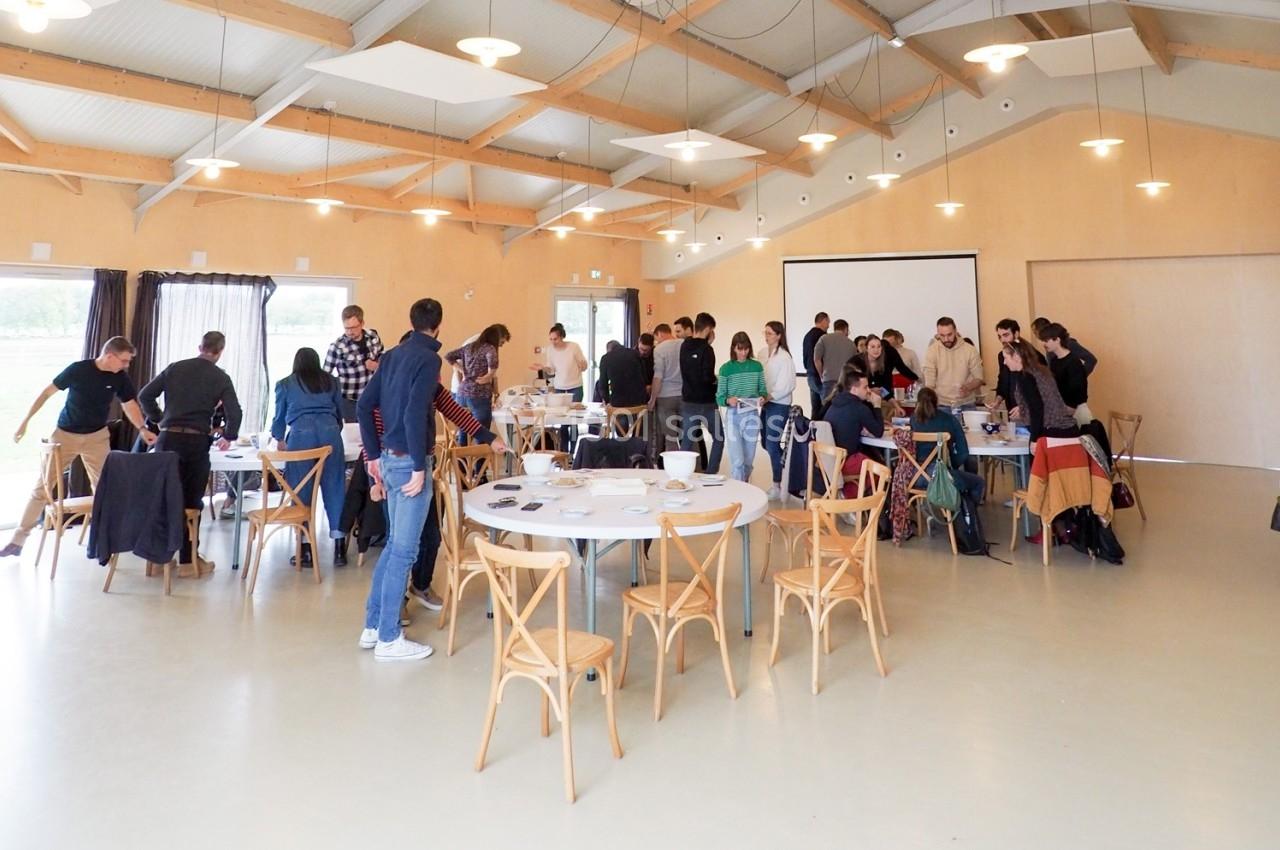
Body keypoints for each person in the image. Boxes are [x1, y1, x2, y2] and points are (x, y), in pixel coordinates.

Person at [2, 337, 153, 558]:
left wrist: (142, 428)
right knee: (41, 488)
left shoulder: (119, 377)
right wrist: (25, 421)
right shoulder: (78, 370)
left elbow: (129, 403)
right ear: (109, 356)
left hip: (97, 437)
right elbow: (46, 393)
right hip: (65, 435)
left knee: (104, 488)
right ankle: (17, 540)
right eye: (124, 360)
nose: (126, 365)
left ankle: (104, 541)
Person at [356, 298, 444, 662]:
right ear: (438, 325)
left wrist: (373, 455)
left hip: (389, 460)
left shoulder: (391, 355)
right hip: (409, 462)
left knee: (394, 546)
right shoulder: (428, 359)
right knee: (404, 550)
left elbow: (364, 405)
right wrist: (420, 468)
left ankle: (374, 626)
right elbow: (413, 411)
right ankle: (390, 638)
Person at [138, 331, 241, 572]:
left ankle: (156, 559)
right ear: (220, 351)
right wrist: (228, 436)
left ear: (200, 347)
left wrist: (159, 419)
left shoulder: (175, 368)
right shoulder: (220, 377)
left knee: (164, 498)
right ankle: (188, 561)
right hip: (195, 443)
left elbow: (145, 395)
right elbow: (235, 412)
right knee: (191, 501)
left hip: (167, 440)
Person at [271, 347, 346, 567]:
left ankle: (304, 549)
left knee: (300, 489)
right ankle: (339, 547)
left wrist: (279, 438)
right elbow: (340, 414)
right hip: (330, 432)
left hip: (301, 435)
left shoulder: (285, 383)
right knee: (335, 486)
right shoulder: (332, 381)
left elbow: (279, 417)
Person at [910, 387, 985, 506]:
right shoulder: (950, 419)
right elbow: (963, 452)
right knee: (978, 482)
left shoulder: (913, 420)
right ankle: (966, 516)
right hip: (942, 478)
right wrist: (951, 466)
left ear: (917, 403)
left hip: (913, 477)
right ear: (937, 402)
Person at [1004, 339, 1079, 442]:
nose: (1004, 362)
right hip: (1066, 429)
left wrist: (1035, 439)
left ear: (1016, 357)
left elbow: (1037, 409)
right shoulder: (1040, 370)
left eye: (1006, 358)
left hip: (1051, 432)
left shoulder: (1026, 376)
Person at [444, 323, 508, 442]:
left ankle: (463, 459)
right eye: (502, 342)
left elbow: (448, 356)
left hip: (461, 394)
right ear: (497, 337)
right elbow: (493, 365)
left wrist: (462, 370)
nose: (501, 345)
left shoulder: (470, 347)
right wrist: (490, 374)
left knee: (463, 430)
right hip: (479, 396)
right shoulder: (490, 349)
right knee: (482, 433)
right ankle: (479, 460)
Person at [717, 332, 766, 483]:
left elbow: (763, 389)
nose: (743, 353)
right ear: (733, 349)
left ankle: (743, 485)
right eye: (740, 349)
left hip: (752, 414)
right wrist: (727, 400)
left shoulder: (757, 366)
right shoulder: (726, 369)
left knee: (748, 461)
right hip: (733, 415)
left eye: (746, 349)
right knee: (737, 460)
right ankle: (739, 494)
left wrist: (762, 397)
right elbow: (719, 396)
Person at [822, 365, 884, 484]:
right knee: (882, 471)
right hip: (846, 461)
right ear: (854, 389)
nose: (869, 391)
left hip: (828, 461)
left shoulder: (834, 404)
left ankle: (852, 496)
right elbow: (878, 432)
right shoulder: (859, 408)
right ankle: (869, 500)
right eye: (865, 387)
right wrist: (877, 406)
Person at [679, 312, 723, 474]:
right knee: (718, 438)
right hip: (707, 403)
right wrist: (716, 381)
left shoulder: (684, 345)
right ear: (709, 329)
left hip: (688, 401)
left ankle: (681, 473)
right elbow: (707, 377)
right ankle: (711, 473)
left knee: (687, 441)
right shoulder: (707, 350)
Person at [324, 305, 383, 422]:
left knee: (371, 433)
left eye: (353, 328)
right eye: (346, 328)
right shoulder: (337, 346)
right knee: (353, 435)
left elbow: (382, 355)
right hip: (348, 400)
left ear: (362, 323)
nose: (350, 332)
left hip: (372, 396)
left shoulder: (373, 337)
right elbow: (325, 375)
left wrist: (377, 365)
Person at [761, 321, 796, 500]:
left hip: (779, 404)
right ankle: (790, 471)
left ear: (779, 335)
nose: (766, 336)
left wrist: (769, 396)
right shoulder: (762, 354)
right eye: (765, 333)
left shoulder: (784, 357)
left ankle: (778, 484)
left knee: (773, 444)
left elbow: (788, 385)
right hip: (766, 403)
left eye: (770, 333)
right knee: (766, 444)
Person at [923, 316, 984, 410]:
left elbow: (979, 378)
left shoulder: (970, 350)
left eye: (949, 334)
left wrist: (968, 387)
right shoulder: (932, 351)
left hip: (966, 404)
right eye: (942, 335)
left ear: (955, 331)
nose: (946, 339)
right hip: (941, 404)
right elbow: (929, 382)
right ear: (937, 334)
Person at [1038, 322, 1091, 423]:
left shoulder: (1073, 362)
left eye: (1046, 340)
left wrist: (1070, 408)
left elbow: (1079, 390)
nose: (1044, 344)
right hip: (1062, 410)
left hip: (1076, 412)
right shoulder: (1054, 361)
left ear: (1057, 339)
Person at [994, 318, 1046, 410]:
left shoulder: (1034, 356)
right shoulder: (1001, 355)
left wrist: (1023, 407)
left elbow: (1041, 390)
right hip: (1012, 409)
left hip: (1032, 410)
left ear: (1016, 334)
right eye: (999, 336)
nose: (1002, 340)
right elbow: (1003, 380)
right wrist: (998, 399)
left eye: (1006, 335)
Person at [648, 323, 683, 454]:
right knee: (688, 436)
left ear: (660, 334)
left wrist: (652, 399)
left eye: (656, 338)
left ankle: (672, 468)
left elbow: (658, 377)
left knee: (670, 437)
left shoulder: (659, 349)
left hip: (665, 397)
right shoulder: (683, 344)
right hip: (684, 395)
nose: (657, 341)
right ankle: (692, 468)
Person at [1033, 316, 1098, 376]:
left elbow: (1091, 359)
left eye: (1035, 332)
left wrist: (1080, 376)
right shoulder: (1049, 347)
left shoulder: (1069, 343)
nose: (1035, 335)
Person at [812, 319, 857, 402]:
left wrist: (821, 374)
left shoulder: (824, 339)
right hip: (845, 382)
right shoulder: (852, 344)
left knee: (827, 409)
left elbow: (816, 359)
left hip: (828, 380)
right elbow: (854, 365)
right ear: (846, 329)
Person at [863, 333, 918, 400]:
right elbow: (902, 368)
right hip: (885, 386)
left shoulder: (863, 358)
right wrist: (915, 378)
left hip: (869, 389)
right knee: (887, 400)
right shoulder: (892, 351)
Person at [598, 338, 649, 408]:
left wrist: (608, 401)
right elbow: (644, 378)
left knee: (617, 417)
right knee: (637, 418)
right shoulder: (635, 354)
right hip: (639, 402)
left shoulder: (605, 358)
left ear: (608, 350)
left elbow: (602, 385)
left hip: (619, 403)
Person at [801, 312, 830, 414]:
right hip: (820, 375)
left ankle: (814, 428)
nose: (829, 326)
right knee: (826, 406)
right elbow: (821, 357)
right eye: (828, 322)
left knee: (815, 407)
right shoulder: (823, 337)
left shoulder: (807, 336)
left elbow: (805, 357)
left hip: (810, 374)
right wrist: (822, 374)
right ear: (824, 320)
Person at [637, 332, 655, 396]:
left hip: (654, 389)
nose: (642, 352)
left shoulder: (656, 354)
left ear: (652, 347)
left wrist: (652, 385)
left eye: (646, 350)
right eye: (641, 349)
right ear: (638, 343)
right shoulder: (632, 355)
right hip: (638, 390)